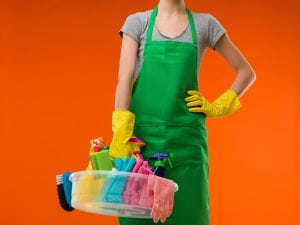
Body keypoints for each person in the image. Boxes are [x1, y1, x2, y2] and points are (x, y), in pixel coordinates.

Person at [109, 0, 256, 225]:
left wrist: (219, 106)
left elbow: (246, 72)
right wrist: (120, 132)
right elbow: (124, 80)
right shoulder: (138, 22)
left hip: (186, 146)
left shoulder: (204, 24)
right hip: (141, 145)